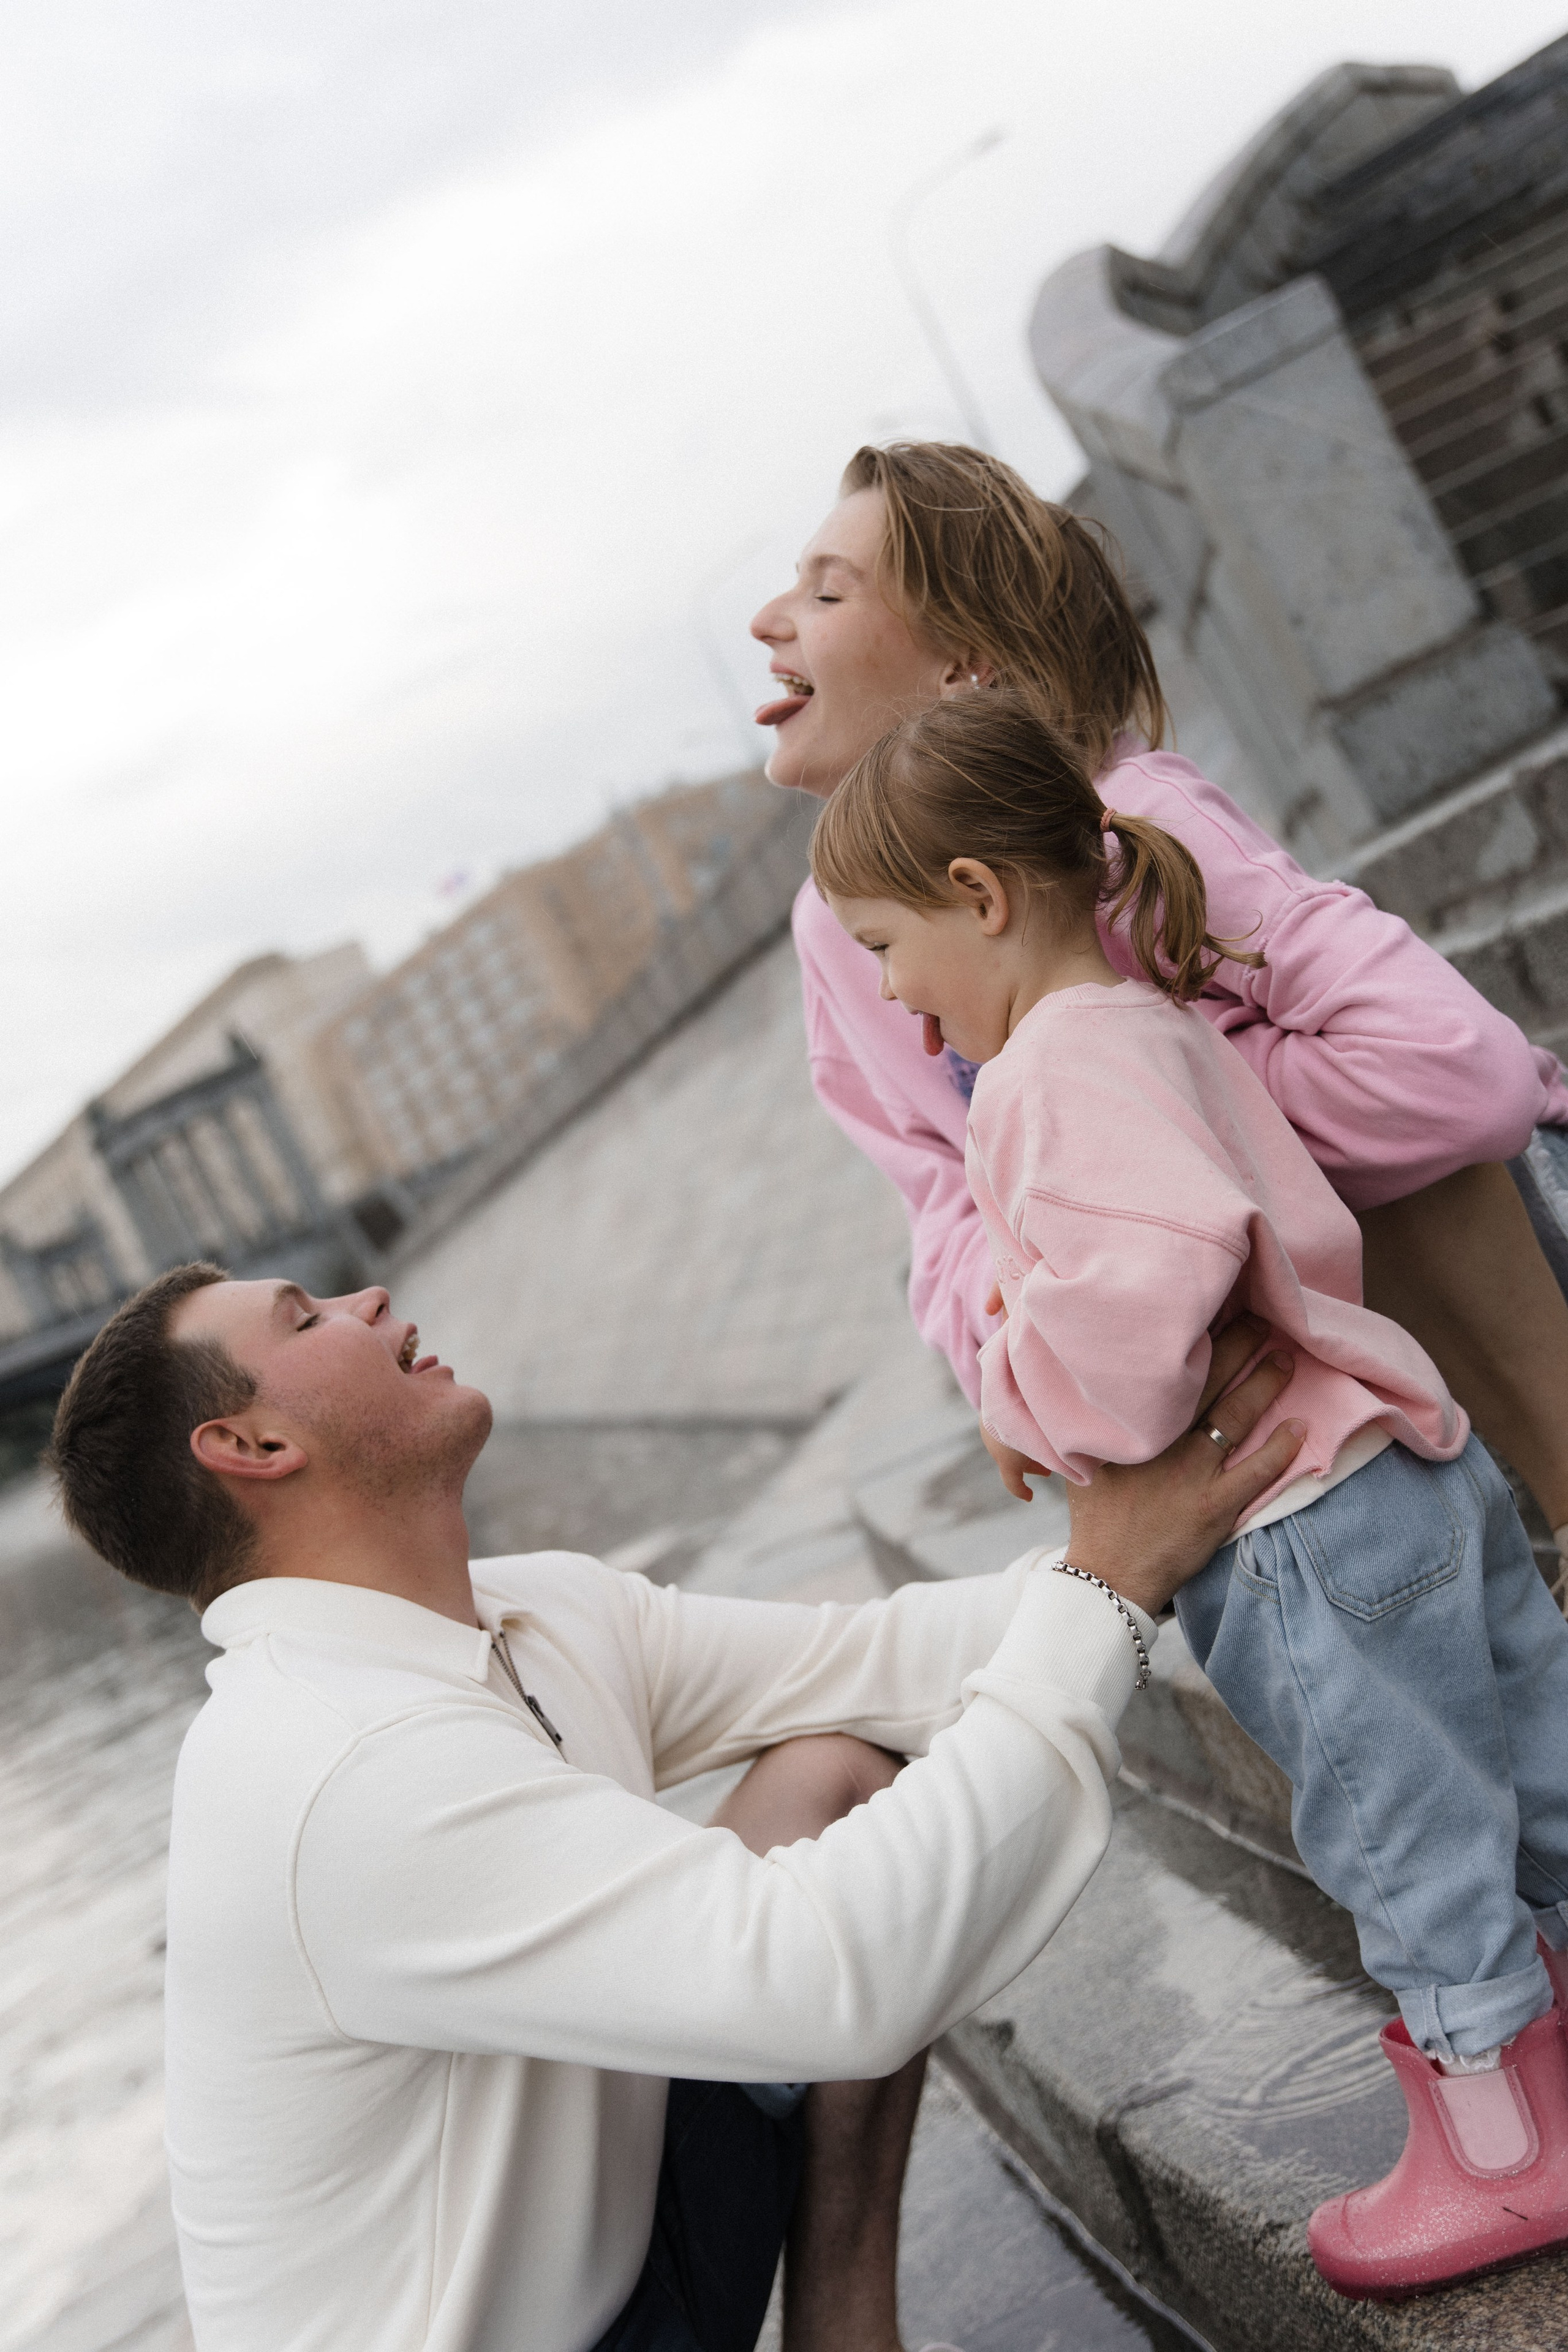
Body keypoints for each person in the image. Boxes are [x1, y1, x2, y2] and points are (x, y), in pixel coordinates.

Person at [47, 1262, 1299, 2352]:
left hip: (636, 2254)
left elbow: (885, 1659)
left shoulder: (532, 1610)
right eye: (306, 1316)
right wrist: (1109, 1584)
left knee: (834, 1772)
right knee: (817, 1939)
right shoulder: (335, 1772)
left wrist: (1179, 1505)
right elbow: (825, 1973)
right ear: (255, 1449)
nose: (368, 1298)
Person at [810, 687, 1568, 2301]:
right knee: (1543, 1768)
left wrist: (1018, 1376)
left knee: (1401, 1837)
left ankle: (1507, 2143)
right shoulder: (1155, 1019)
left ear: (979, 896)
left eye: (884, 944)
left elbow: (1138, 1331)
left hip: (1295, 1534)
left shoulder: (1042, 1076)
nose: (888, 988)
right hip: (1402, 1463)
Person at [750, 442, 1568, 1578]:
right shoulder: (835, 932)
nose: (767, 619)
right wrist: (1008, 1326)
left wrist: (1163, 1124)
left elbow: (1460, 1072)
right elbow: (940, 1191)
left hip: (1498, 1238)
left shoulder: (1128, 824)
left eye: (826, 592)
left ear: (965, 664)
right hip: (1232, 1333)